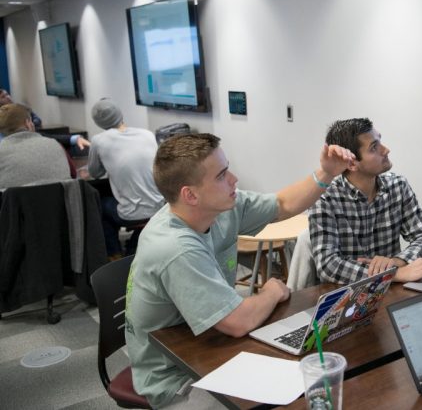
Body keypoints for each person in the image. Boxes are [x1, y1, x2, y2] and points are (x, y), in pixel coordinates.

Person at [125, 133, 354, 408]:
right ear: (190, 194)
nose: (233, 179)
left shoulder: (219, 209)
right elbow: (237, 322)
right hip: (176, 378)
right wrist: (271, 290)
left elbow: (283, 204)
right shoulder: (175, 247)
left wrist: (326, 173)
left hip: (211, 345)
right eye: (221, 175)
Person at [309, 118, 422, 284]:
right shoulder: (325, 197)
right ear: (352, 164)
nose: (386, 150)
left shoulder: (397, 185)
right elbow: (328, 265)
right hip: (347, 299)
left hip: (392, 292)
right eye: (374, 147)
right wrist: (392, 275)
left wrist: (395, 263)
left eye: (380, 141)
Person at [87, 98, 164, 258]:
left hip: (130, 214)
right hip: (161, 208)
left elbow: (95, 173)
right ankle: (134, 244)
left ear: (98, 122)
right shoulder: (148, 134)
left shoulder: (99, 140)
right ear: (120, 115)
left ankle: (114, 255)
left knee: (98, 206)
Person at [0, 103, 71, 189]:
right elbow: (71, 177)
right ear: (27, 123)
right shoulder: (55, 144)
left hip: (15, 201)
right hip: (60, 201)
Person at [0, 87, 90, 149]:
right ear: (27, 124)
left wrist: (75, 139)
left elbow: (46, 136)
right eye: (3, 97)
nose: (8, 97)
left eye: (7, 94)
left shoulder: (21, 110)